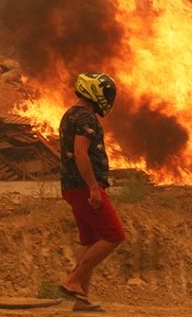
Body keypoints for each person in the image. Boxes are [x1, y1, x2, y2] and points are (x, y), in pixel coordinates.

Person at [58, 72, 126, 312]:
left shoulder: (71, 114)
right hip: (84, 188)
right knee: (114, 235)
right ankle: (72, 280)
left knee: (90, 240)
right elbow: (80, 153)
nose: (108, 99)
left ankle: (81, 300)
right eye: (106, 94)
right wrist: (94, 187)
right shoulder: (86, 118)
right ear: (93, 92)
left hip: (71, 186)